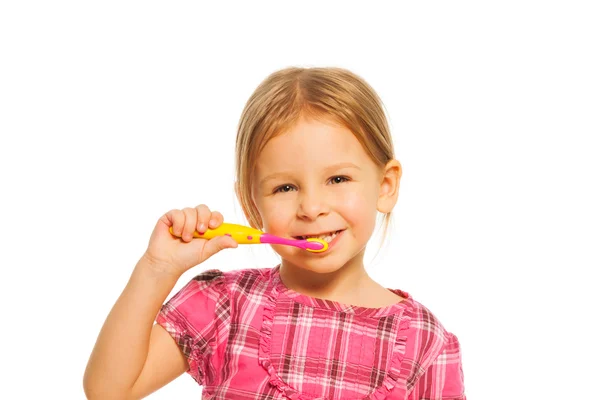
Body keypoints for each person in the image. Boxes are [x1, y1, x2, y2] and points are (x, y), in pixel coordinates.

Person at [83, 67, 466, 399]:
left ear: (385, 186)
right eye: (285, 188)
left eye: (338, 178)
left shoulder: (425, 341)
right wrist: (157, 268)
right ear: (252, 205)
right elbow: (109, 391)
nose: (312, 207)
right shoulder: (225, 304)